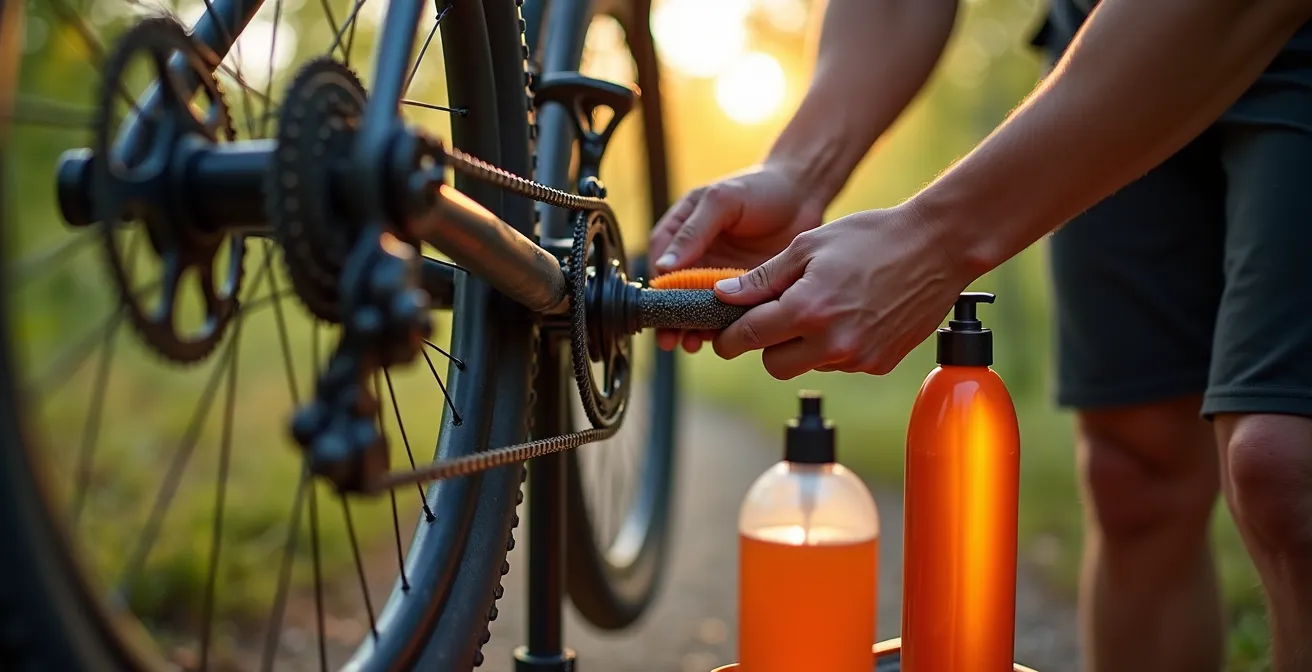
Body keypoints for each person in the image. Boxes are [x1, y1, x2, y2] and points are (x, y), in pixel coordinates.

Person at [647, 0, 1312, 670]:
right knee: (1132, 468)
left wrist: (934, 240)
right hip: (1102, 34)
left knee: (1285, 468)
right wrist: (800, 169)